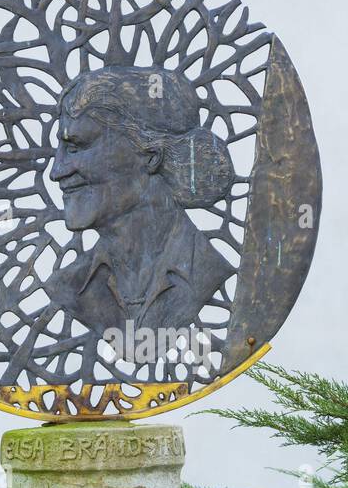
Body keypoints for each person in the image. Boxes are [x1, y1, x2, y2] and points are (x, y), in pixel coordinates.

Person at [45, 65, 234, 340]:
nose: (57, 171)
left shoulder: (212, 274)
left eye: (76, 147)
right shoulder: (68, 285)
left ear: (150, 155)